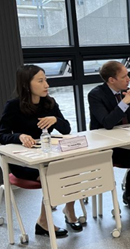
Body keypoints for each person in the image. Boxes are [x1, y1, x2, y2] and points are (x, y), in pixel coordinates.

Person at [0, 65, 78, 237]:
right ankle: (43, 222)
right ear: (27, 85)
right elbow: (2, 134)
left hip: (47, 155)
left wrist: (55, 119)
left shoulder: (49, 103)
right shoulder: (13, 106)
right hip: (23, 161)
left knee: (73, 167)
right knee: (54, 175)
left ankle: (69, 210)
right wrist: (19, 136)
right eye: (41, 81)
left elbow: (66, 129)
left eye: (46, 80)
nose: (46, 85)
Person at [88, 61, 130, 212]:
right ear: (111, 80)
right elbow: (107, 123)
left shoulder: (126, 91)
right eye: (124, 76)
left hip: (128, 141)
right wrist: (125, 102)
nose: (128, 79)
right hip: (107, 146)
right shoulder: (95, 95)